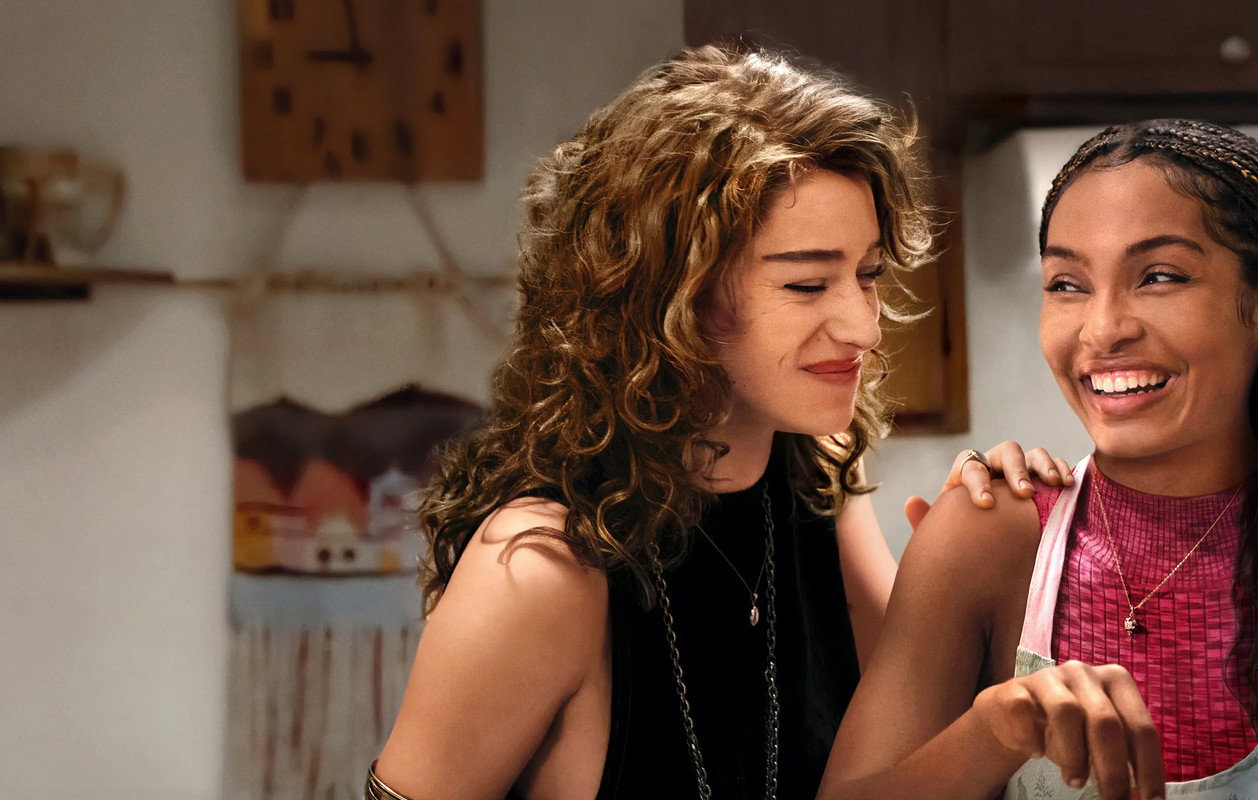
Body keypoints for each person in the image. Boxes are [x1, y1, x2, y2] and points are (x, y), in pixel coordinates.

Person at [367, 44, 1064, 800]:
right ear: (669, 297)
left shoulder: (818, 476)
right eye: (806, 284)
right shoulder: (539, 572)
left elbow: (904, 771)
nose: (864, 327)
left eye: (867, 275)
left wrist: (974, 564)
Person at [818, 120, 1258, 800]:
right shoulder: (989, 534)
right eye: (1067, 284)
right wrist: (994, 730)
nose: (1103, 330)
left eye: (1160, 276)